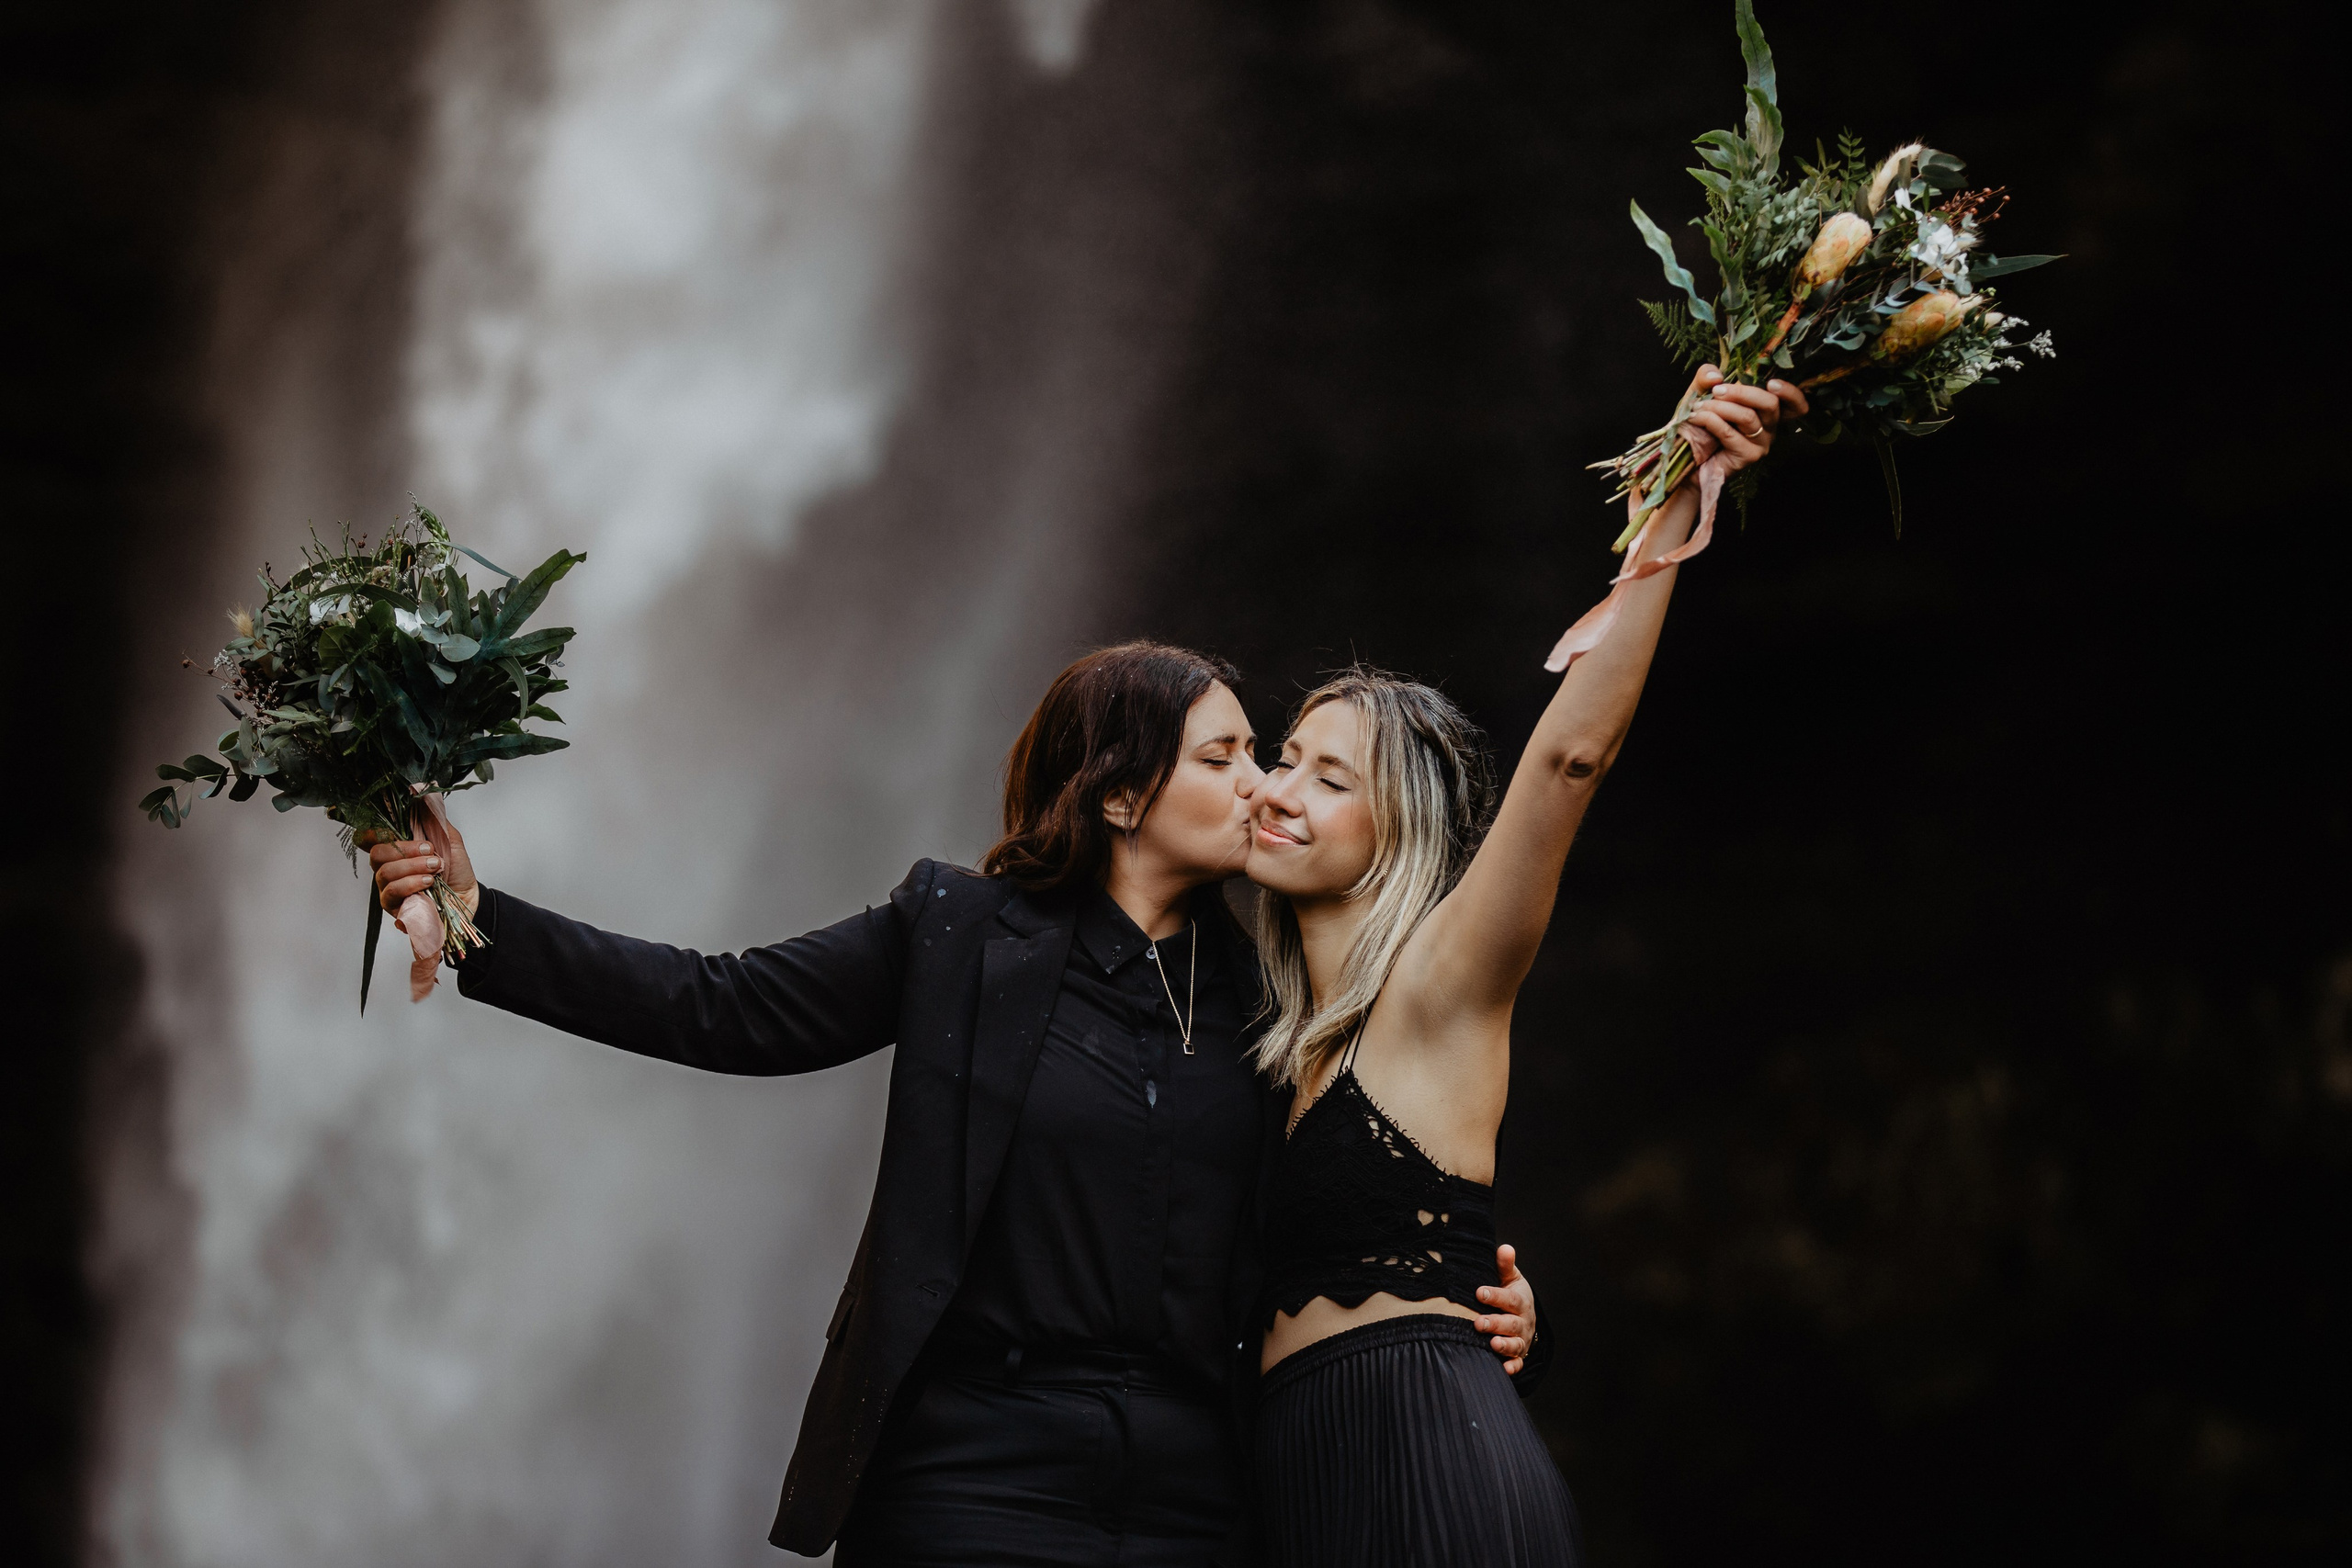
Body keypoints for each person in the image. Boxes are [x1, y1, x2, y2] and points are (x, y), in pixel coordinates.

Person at [364, 642, 1543, 1566]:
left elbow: (1367, 1184)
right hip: (976, 1474)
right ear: (1123, 796)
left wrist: (1470, 1305)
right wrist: (481, 920)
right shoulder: (959, 932)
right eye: (1227, 756)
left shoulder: (1269, 998)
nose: (1266, 785)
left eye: (1267, 757)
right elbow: (719, 1008)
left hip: (1199, 1500)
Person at [1241, 367, 1806, 1566]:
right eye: (1283, 759)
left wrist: (1675, 492)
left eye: (1329, 777)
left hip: (1427, 1462)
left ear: (1395, 827)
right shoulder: (1262, 1046)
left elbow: (1570, 757)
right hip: (1301, 1484)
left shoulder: (1443, 978)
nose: (1281, 793)